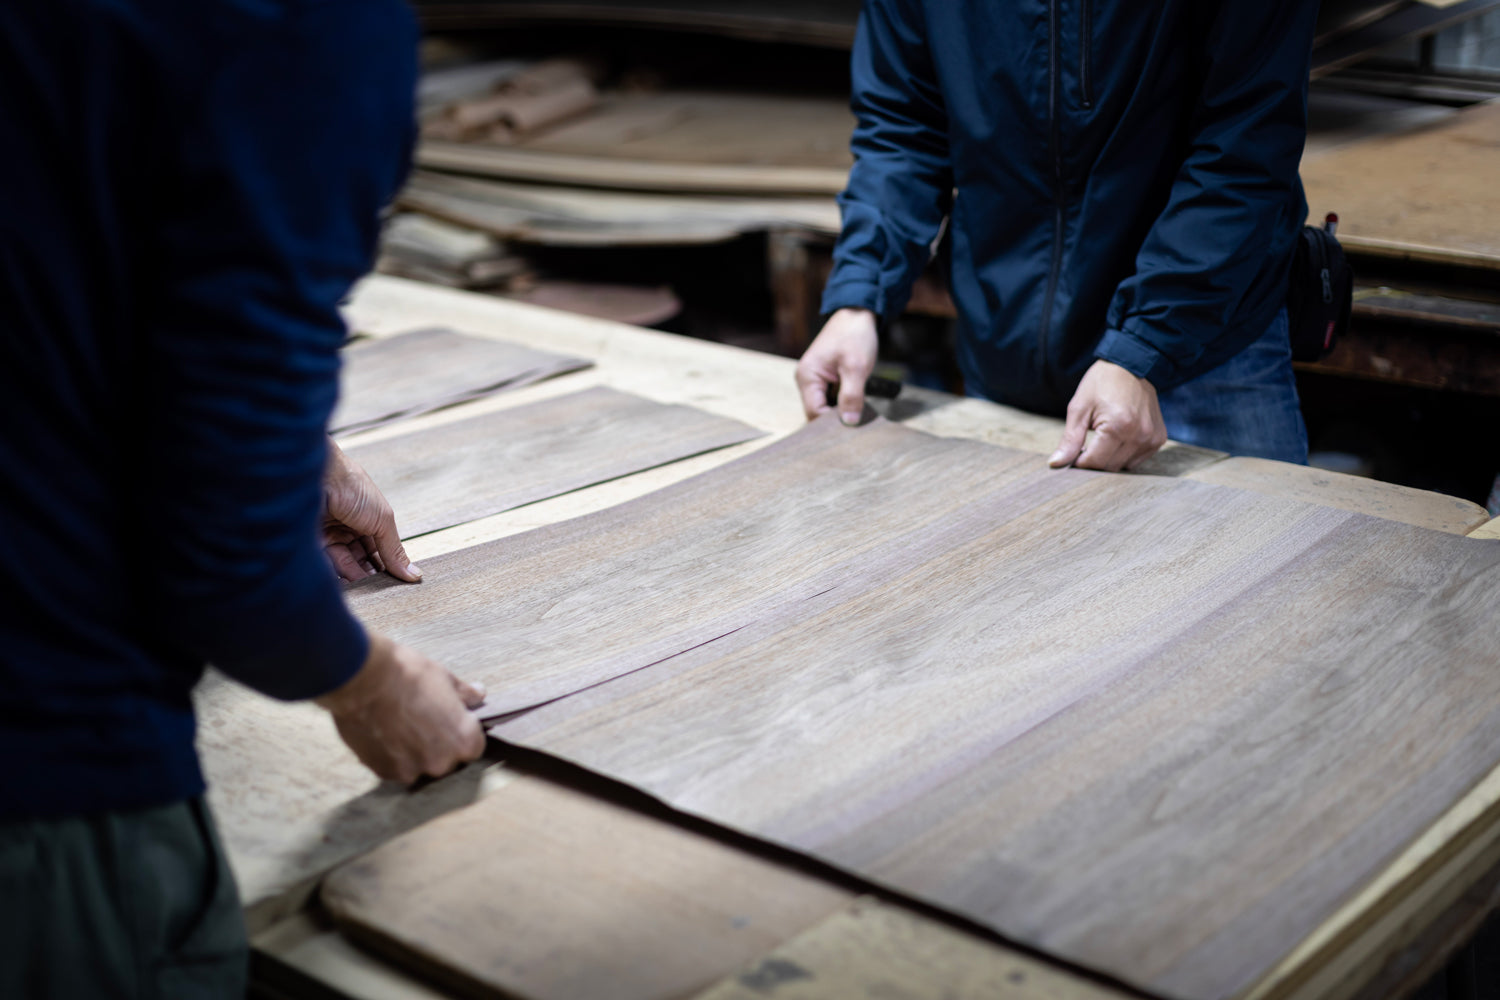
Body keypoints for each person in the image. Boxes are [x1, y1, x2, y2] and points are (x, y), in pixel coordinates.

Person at [0, 1, 484, 995]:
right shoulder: (310, 33)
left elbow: (70, 244)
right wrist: (372, 685)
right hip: (40, 765)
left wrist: (292, 448)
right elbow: (222, 561)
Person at [796, 1, 1318, 471]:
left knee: (1262, 548)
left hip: (1201, 353)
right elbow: (902, 127)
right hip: (1005, 346)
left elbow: (1243, 149)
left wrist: (1144, 346)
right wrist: (860, 297)